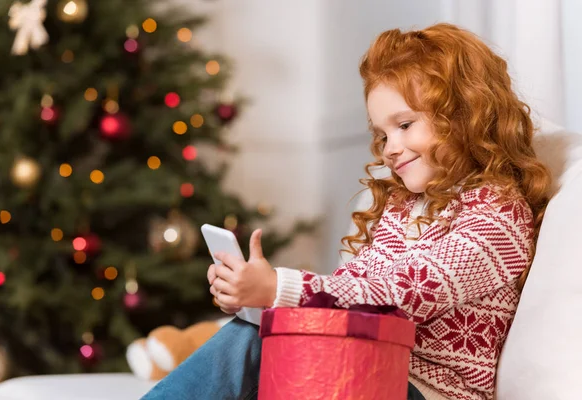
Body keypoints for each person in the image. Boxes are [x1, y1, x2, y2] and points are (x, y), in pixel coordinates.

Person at [142, 22, 552, 400]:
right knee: (258, 333)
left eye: (405, 125)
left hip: (426, 393)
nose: (390, 147)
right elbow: (346, 291)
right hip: (366, 370)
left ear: (465, 114)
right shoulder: (404, 207)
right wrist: (255, 297)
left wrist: (278, 289)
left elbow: (397, 296)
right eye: (382, 133)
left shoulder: (497, 216)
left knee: (258, 342)